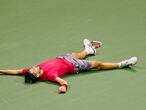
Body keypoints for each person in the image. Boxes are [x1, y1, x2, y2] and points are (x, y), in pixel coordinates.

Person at [0, 39, 137, 93]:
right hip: (74, 65)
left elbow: (17, 71)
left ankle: (90, 49)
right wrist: (63, 88)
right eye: (33, 70)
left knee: (78, 53)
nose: (32, 67)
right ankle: (123, 64)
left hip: (65, 57)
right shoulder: (50, 76)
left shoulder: (34, 70)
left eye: (31, 68)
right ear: (37, 75)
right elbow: (63, 81)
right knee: (98, 64)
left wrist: (1, 71)